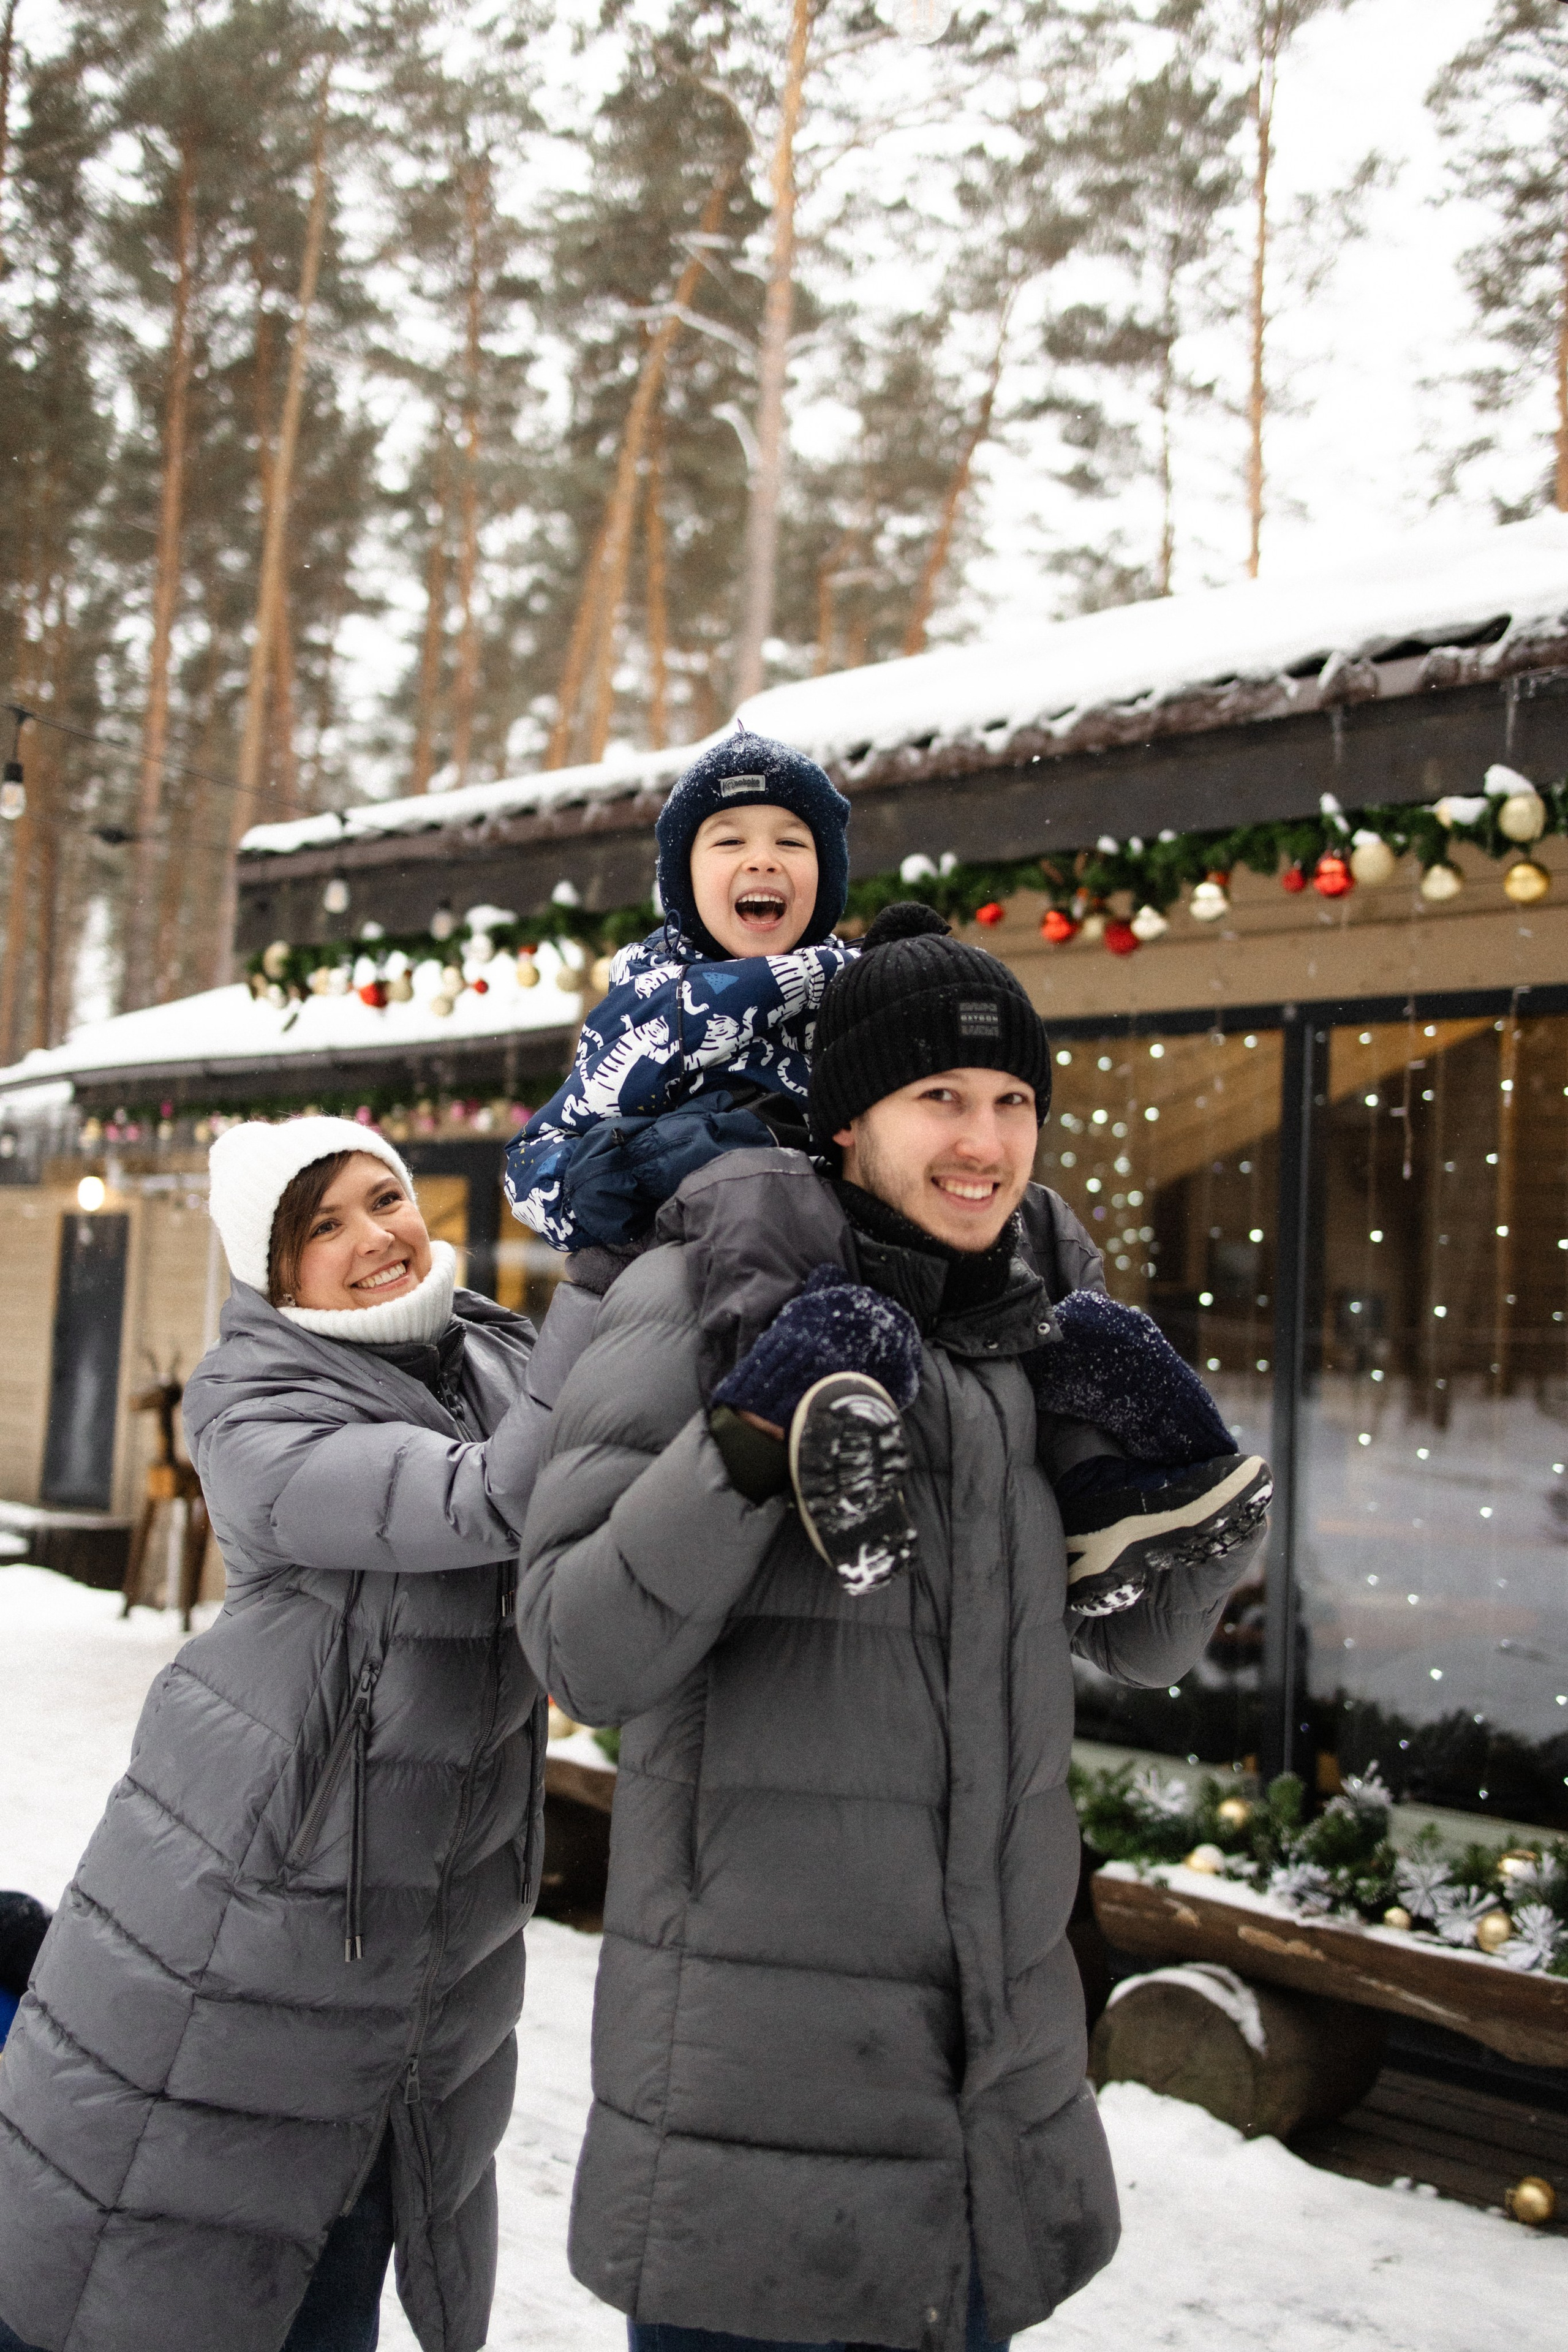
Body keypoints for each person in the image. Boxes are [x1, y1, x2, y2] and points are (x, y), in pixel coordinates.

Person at [514, 918, 1270, 2352]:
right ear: (850, 1117)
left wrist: (1190, 1479)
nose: (984, 1141)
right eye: (939, 1097)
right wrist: (750, 1435)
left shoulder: (1027, 1332)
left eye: (1013, 1100)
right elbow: (577, 1649)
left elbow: (1145, 1648)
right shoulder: (690, 1296)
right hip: (755, 2121)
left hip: (985, 2124)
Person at [0, 1117, 595, 2352]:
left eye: (385, 1197)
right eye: (321, 1225)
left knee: (336, 2269)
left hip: (413, 1964)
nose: (374, 1235)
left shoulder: (493, 1352)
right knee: (159, 2271)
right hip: (241, 1944)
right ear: (273, 1273)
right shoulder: (254, 1407)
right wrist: (609, 1265)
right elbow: (492, 1494)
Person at [504, 726, 854, 1264]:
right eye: (730, 842)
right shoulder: (653, 1006)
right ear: (685, 878)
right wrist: (654, 1160)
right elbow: (531, 1169)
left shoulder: (861, 993)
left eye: (791, 842)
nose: (763, 860)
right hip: (675, 1275)